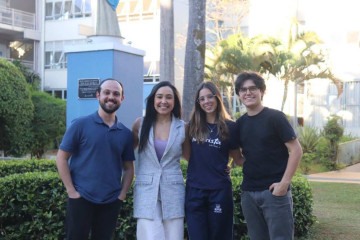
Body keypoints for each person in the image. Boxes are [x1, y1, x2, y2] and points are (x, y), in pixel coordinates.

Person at [56, 78, 135, 240]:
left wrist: (122, 195)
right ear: (98, 95)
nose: (111, 97)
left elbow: (128, 168)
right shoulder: (80, 125)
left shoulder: (125, 134)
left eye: (116, 94)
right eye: (106, 92)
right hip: (81, 198)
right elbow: (61, 158)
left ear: (122, 98)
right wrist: (71, 191)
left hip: (111, 201)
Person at [234, 71, 303, 240]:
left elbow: (296, 150)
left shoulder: (275, 117)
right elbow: (240, 157)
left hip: (274, 193)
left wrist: (284, 184)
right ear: (238, 95)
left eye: (253, 88)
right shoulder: (239, 124)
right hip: (249, 193)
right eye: (243, 90)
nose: (248, 93)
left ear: (262, 91)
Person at [184, 81, 242, 240]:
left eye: (210, 97)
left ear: (217, 98)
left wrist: (229, 166)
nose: (206, 101)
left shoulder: (230, 126)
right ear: (198, 103)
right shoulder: (191, 126)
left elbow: (237, 158)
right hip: (195, 190)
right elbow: (187, 154)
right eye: (201, 99)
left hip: (219, 191)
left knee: (220, 236)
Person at [132, 81, 185, 240]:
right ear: (152, 100)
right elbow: (126, 154)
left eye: (169, 97)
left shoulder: (183, 127)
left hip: (173, 190)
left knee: (174, 236)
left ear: (174, 102)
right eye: (159, 97)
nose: (164, 101)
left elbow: (193, 158)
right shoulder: (140, 124)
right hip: (146, 190)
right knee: (150, 236)